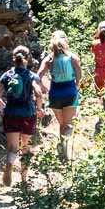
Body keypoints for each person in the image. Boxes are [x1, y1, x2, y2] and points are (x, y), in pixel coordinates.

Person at [0, 46, 45, 187]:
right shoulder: (32, 76)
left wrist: (4, 108)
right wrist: (39, 108)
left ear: (13, 59)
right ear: (27, 59)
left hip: (11, 113)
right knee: (26, 147)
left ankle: (9, 165)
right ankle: (24, 180)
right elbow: (38, 93)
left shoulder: (6, 75)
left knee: (12, 147)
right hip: (28, 113)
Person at [37, 31, 82, 162]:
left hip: (55, 93)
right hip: (69, 92)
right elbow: (79, 78)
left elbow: (37, 76)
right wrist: (76, 88)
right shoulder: (73, 57)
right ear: (66, 42)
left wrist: (44, 87)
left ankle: (62, 153)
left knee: (61, 123)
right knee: (68, 125)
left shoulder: (49, 59)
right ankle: (64, 149)